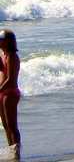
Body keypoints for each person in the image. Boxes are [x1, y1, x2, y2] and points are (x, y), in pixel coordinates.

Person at [0, 30, 20, 160]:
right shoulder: (4, 55)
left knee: (12, 125)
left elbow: (10, 79)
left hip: (10, 92)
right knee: (6, 126)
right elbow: (2, 70)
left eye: (1, 39)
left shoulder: (12, 56)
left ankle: (17, 152)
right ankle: (11, 150)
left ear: (7, 41)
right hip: (3, 92)